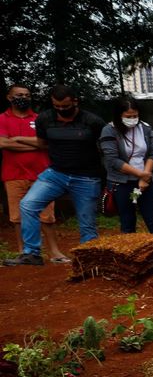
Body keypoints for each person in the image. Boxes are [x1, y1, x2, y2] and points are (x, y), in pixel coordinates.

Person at [5, 85, 106, 266]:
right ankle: (32, 254)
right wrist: (19, 139)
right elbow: (43, 143)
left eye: (65, 107)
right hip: (56, 173)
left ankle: (89, 259)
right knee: (28, 205)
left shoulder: (93, 121)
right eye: (57, 106)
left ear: (75, 102)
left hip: (86, 177)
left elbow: (106, 147)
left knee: (87, 222)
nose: (61, 110)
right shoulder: (45, 118)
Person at [0, 84, 66, 263]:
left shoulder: (39, 119)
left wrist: (17, 140)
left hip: (43, 175)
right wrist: (33, 144)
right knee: (17, 217)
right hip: (13, 175)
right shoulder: (2, 119)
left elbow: (46, 143)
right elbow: (3, 144)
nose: (23, 97)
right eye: (19, 95)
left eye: (27, 95)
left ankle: (54, 252)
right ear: (9, 97)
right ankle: (25, 253)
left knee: (47, 216)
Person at [99, 97, 153, 238]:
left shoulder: (145, 128)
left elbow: (152, 154)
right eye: (128, 116)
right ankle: (129, 255)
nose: (133, 119)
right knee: (127, 220)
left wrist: (145, 176)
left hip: (144, 183)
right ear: (119, 115)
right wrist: (140, 175)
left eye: (135, 116)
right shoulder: (109, 131)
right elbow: (113, 161)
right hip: (123, 183)